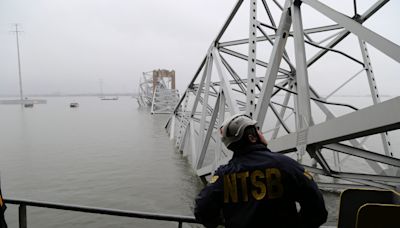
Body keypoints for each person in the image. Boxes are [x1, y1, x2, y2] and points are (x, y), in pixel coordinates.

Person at [194, 114, 327, 228]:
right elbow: (317, 208)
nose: (261, 133)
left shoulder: (223, 175)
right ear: (252, 137)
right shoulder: (286, 165)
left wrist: (223, 221)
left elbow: (202, 209)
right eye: (258, 130)